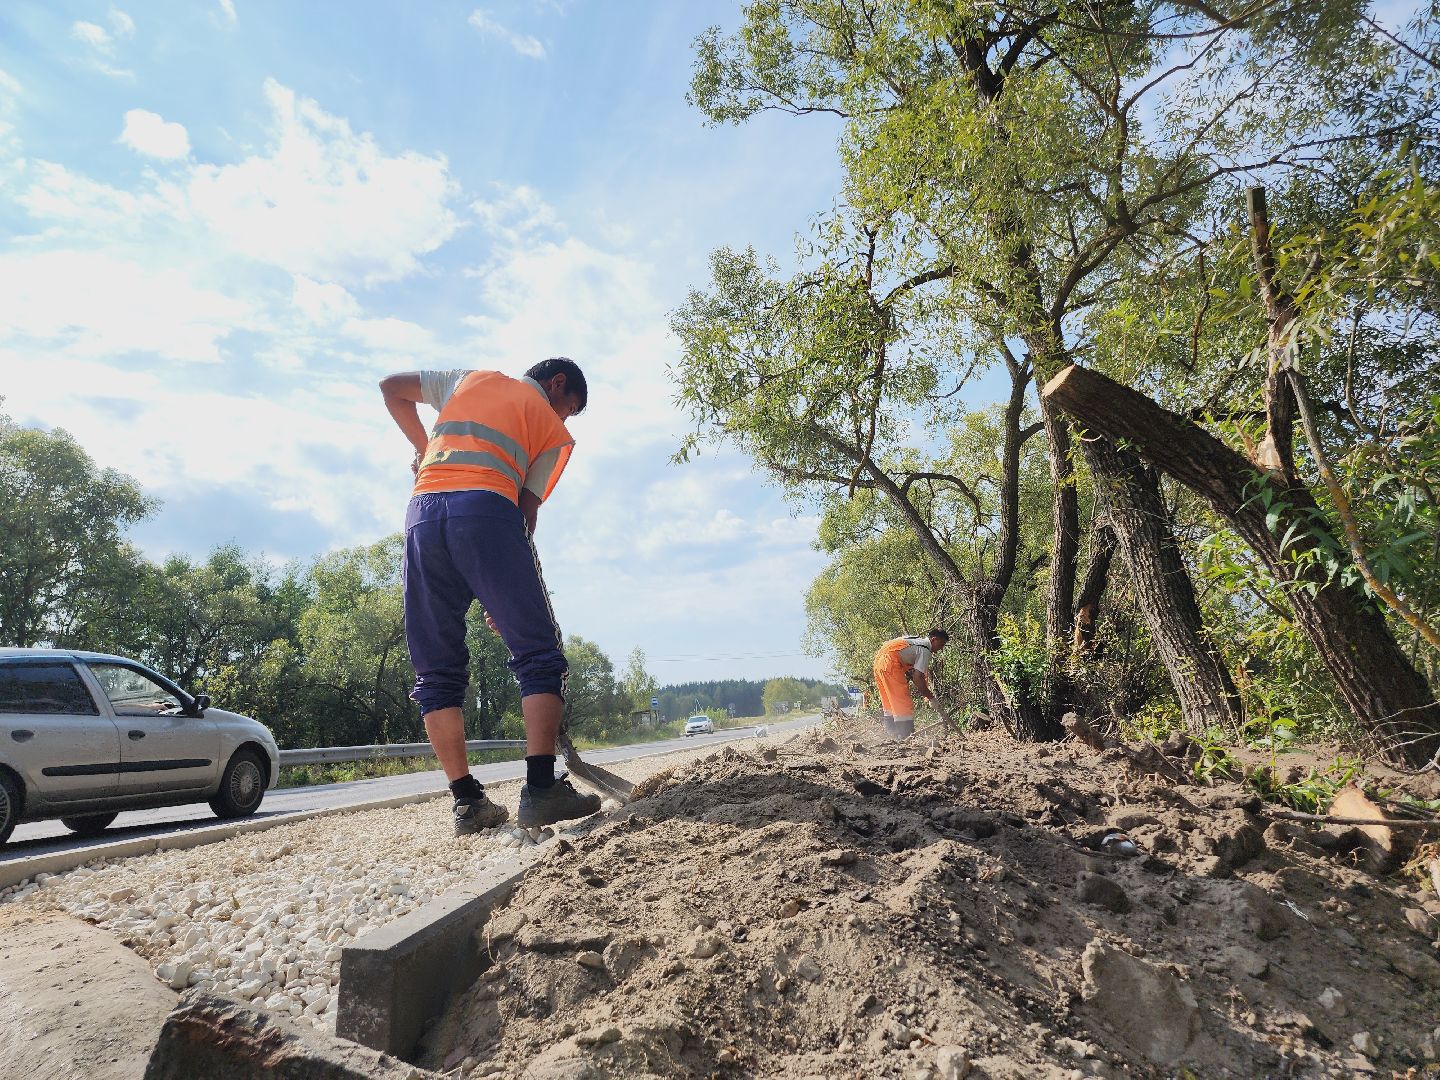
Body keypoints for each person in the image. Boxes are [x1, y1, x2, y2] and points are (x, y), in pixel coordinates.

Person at [379, 358, 602, 835]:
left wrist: (425, 450)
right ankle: (541, 791)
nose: (566, 418)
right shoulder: (553, 433)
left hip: (421, 517)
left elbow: (391, 387)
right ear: (556, 384)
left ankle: (467, 803)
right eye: (571, 407)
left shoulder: (466, 379)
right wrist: (506, 597)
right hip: (487, 512)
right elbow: (524, 514)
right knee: (540, 655)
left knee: (435, 668)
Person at [872, 629, 949, 739]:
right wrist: (931, 698)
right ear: (934, 639)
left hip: (879, 662)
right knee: (902, 701)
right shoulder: (925, 650)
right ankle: (906, 735)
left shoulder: (916, 641)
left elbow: (914, 673)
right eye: (941, 644)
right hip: (890, 663)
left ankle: (891, 736)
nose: (941, 648)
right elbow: (918, 678)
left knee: (889, 702)